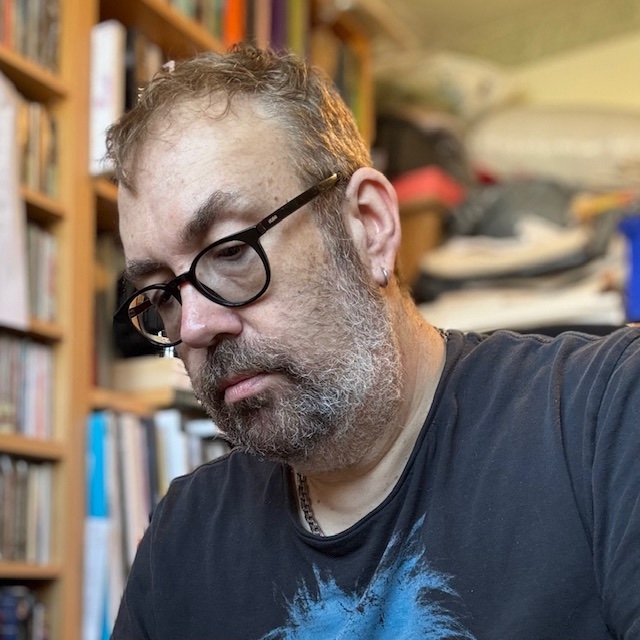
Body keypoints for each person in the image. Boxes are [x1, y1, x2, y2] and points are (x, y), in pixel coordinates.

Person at [108, 43, 640, 639]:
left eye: (232, 251)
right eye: (162, 295)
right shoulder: (184, 534)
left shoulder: (606, 417)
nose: (195, 326)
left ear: (368, 226)